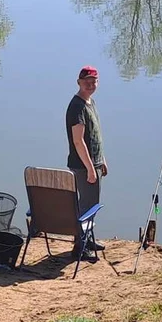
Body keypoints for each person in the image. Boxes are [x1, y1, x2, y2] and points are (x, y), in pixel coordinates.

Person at [65, 65, 107, 260]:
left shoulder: (91, 102)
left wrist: (102, 161)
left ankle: (88, 239)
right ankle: (79, 248)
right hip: (83, 167)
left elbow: (95, 136)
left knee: (92, 205)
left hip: (94, 164)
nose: (90, 84)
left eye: (94, 81)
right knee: (85, 207)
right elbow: (78, 140)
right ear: (79, 82)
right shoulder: (77, 107)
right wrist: (90, 168)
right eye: (86, 81)